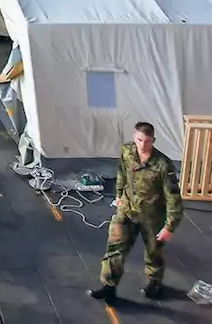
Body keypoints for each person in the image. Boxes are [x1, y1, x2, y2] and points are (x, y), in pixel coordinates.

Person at [89, 121, 184, 304]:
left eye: (147, 141)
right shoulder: (127, 151)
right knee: (114, 249)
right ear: (134, 136)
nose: (142, 145)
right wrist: (118, 195)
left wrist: (169, 226)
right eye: (139, 140)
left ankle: (154, 283)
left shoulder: (163, 165)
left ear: (153, 141)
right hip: (126, 210)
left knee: (153, 253)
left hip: (152, 216)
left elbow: (173, 197)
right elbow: (122, 173)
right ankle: (109, 287)